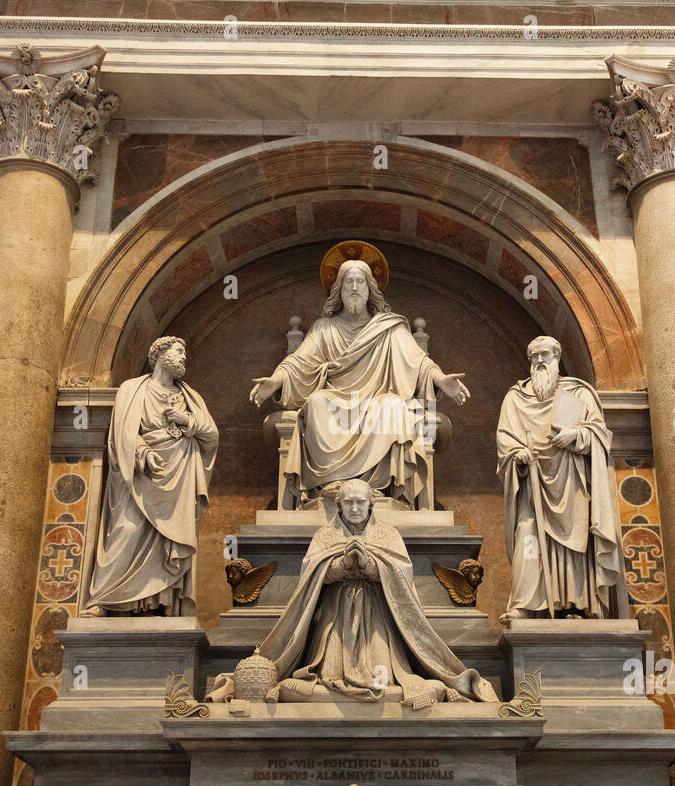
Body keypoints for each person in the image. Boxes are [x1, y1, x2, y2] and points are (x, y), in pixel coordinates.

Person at [209, 480, 497, 707]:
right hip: (335, 617)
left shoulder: (389, 535)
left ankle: (422, 687)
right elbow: (310, 575)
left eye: (361, 502)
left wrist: (372, 565)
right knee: (331, 674)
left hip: (378, 619)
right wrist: (339, 566)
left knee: (382, 677)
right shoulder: (325, 535)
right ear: (339, 506)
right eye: (349, 503)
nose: (355, 508)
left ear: (371, 505)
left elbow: (402, 576)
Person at [248, 258, 469, 508]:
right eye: (348, 282)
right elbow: (297, 363)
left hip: (378, 399)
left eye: (360, 282)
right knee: (317, 402)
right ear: (339, 290)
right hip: (336, 399)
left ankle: (379, 488)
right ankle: (332, 486)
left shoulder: (389, 328)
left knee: (393, 406)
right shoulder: (324, 328)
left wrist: (442, 381)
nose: (354, 288)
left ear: (370, 288)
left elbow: (418, 361)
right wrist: (275, 382)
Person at [84, 336, 218, 616]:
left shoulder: (190, 397)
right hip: (138, 475)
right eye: (179, 352)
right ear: (159, 354)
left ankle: (161, 604)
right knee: (125, 530)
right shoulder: (131, 389)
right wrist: (142, 453)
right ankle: (105, 599)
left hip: (178, 476)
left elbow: (212, 436)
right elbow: (121, 432)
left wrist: (188, 422)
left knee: (168, 544)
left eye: (185, 354)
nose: (184, 358)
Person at [497, 336, 620, 619]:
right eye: (534, 357)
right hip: (533, 484)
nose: (539, 361)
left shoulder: (579, 394)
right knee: (528, 536)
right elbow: (505, 439)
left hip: (572, 482)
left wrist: (575, 436)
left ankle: (576, 605)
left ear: (557, 358)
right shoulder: (515, 399)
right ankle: (525, 606)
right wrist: (518, 455)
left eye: (545, 356)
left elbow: (600, 435)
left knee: (574, 542)